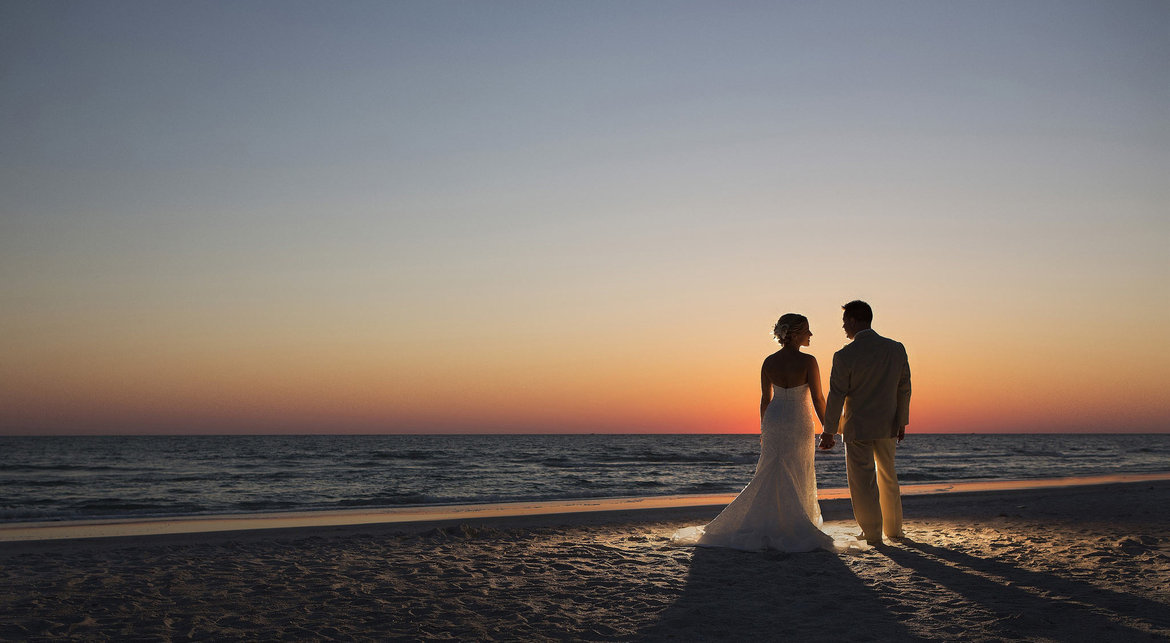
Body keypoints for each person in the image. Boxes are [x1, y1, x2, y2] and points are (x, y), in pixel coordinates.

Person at [672, 313, 833, 552]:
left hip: (774, 419)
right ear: (796, 333)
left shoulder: (768, 362)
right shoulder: (809, 361)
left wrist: (763, 428)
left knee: (772, 467)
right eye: (807, 330)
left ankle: (770, 520)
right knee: (798, 467)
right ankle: (794, 522)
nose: (810, 335)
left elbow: (765, 400)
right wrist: (828, 429)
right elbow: (819, 399)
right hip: (798, 419)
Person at [819, 300, 911, 545]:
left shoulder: (844, 355)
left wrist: (828, 431)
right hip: (888, 423)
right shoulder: (896, 349)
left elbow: (836, 394)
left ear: (852, 320)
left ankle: (871, 532)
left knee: (863, 481)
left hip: (858, 425)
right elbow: (904, 388)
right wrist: (902, 421)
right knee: (888, 476)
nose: (843, 328)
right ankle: (894, 530)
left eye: (844, 322)